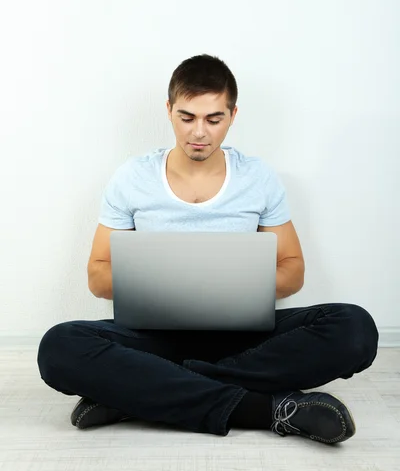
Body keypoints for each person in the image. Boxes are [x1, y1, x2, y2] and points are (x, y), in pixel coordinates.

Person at [37, 54, 378, 443]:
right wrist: (170, 288)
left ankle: (139, 393)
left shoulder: (258, 177)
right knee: (58, 347)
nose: (199, 132)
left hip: (242, 338)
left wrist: (226, 287)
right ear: (168, 111)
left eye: (214, 119)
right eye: (187, 117)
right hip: (154, 339)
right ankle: (264, 408)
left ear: (233, 114)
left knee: (355, 328)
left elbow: (293, 270)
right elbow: (98, 275)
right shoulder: (133, 177)